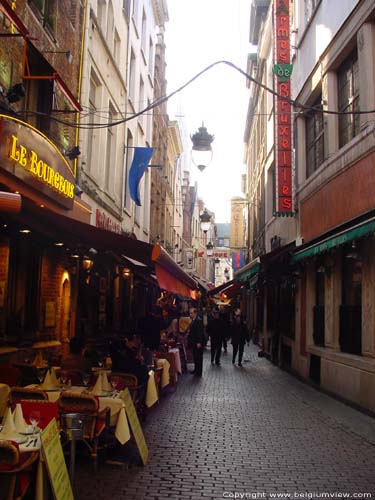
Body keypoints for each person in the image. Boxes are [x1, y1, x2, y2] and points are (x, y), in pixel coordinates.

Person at [187, 307, 205, 377]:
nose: (190, 314)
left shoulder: (198, 320)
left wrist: (199, 342)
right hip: (194, 342)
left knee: (198, 357)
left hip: (197, 342)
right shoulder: (194, 319)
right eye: (190, 313)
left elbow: (199, 332)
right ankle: (196, 370)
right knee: (195, 356)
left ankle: (199, 372)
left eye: (191, 313)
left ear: (195, 313)